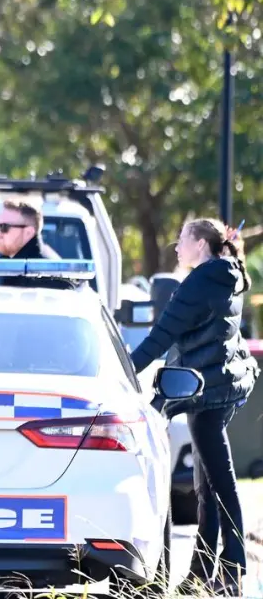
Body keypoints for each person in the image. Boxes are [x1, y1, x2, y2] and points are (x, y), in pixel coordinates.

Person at [129, 218, 259, 597]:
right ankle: (201, 572)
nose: (176, 246)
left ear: (201, 244)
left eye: (182, 239)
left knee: (220, 486)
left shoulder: (201, 282)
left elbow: (160, 336)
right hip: (218, 388)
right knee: (208, 489)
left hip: (206, 393)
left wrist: (124, 372)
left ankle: (233, 571)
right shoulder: (226, 274)